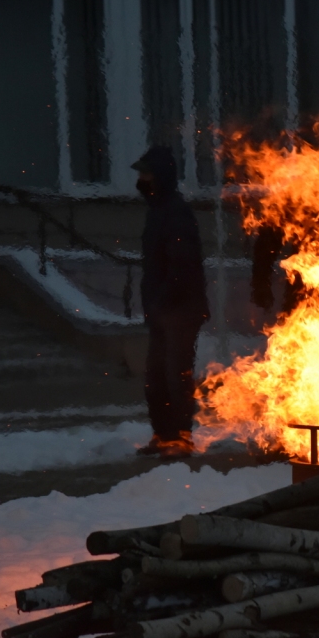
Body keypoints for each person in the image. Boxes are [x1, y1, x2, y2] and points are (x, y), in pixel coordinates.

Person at [133, 147, 210, 458]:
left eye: (146, 173)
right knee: (155, 375)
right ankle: (162, 434)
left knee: (175, 373)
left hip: (181, 310)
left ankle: (180, 436)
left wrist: (162, 301)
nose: (140, 179)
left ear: (160, 177)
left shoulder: (175, 212)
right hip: (163, 310)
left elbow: (182, 266)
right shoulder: (158, 210)